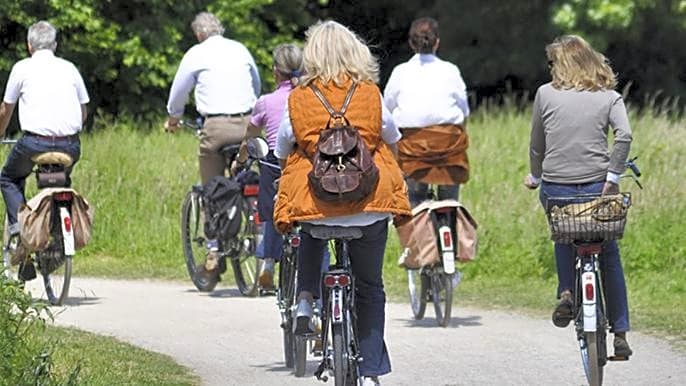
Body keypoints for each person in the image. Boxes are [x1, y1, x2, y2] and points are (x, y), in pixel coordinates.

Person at [273, 21, 411, 385]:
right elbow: (392, 137)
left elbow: (282, 147)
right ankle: (370, 371)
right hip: (369, 207)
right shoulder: (369, 93)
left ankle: (305, 300)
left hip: (317, 203)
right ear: (356, 52)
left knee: (312, 229)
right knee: (370, 287)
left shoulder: (298, 98)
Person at [524, 35, 633, 358]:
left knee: (563, 235)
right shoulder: (610, 97)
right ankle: (621, 332)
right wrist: (613, 177)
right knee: (609, 253)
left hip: (556, 186)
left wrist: (537, 175)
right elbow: (624, 136)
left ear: (562, 64)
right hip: (599, 186)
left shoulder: (545, 94)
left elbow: (536, 144)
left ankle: (568, 293)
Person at [165, 12, 261, 279]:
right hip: (248, 125)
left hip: (216, 128)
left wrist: (174, 118)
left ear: (198, 34)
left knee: (211, 189)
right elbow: (256, 83)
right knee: (246, 177)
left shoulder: (195, 54)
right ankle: (254, 225)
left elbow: (178, 93)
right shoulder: (240, 49)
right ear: (220, 29)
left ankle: (213, 253)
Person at [0, 21, 88, 277]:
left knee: (8, 178)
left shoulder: (22, 68)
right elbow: (83, 111)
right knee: (58, 183)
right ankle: (58, 234)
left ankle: (21, 230)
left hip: (34, 143)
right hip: (69, 145)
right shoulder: (70, 69)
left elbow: (6, 109)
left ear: (29, 46)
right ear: (55, 45)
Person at [383, 17, 470, 206]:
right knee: (450, 201)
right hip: (448, 147)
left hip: (412, 150)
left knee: (414, 199)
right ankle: (452, 221)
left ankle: (418, 226)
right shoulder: (451, 70)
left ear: (410, 43)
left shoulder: (400, 72)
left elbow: (387, 110)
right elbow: (464, 112)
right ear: (437, 42)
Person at [248, 43, 303, 290]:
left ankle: (268, 262)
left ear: (274, 72)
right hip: (303, 158)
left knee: (271, 211)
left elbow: (250, 133)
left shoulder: (265, 102)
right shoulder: (308, 97)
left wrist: (241, 156)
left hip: (273, 160)